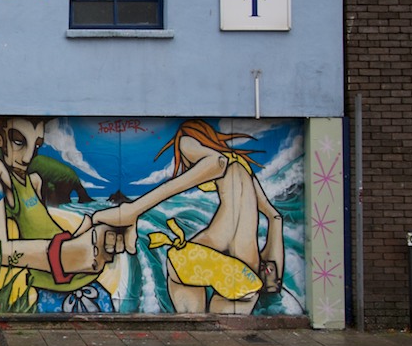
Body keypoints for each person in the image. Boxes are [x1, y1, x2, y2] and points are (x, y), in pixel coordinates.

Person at [92, 119, 283, 314]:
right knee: (223, 329)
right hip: (246, 271)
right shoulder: (244, 169)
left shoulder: (186, 138)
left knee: (185, 297)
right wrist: (272, 272)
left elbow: (217, 163)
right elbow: (275, 218)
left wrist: (134, 209)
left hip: (209, 253)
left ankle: (190, 323)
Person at [0, 116, 124, 312]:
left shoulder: (34, 181)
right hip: (55, 292)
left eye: (36, 145)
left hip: (86, 282)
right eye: (19, 142)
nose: (28, 157)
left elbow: (44, 231)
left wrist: (80, 236)